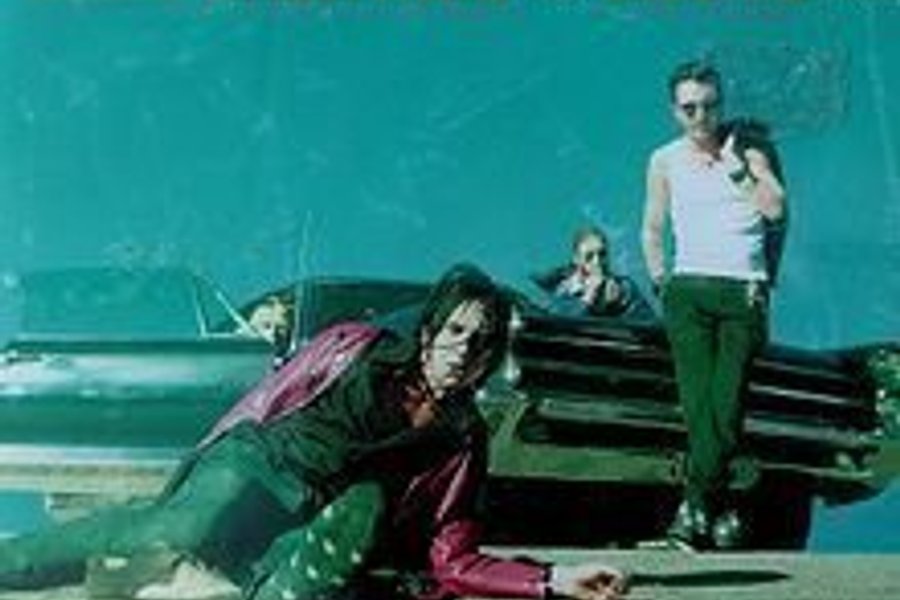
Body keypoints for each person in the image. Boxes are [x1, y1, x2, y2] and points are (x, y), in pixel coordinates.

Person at [0, 264, 628, 600]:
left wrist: (552, 581)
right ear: (430, 330)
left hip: (308, 515)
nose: (465, 348)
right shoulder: (357, 346)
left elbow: (455, 556)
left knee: (366, 506)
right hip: (257, 464)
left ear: (491, 357)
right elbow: (262, 403)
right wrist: (191, 482)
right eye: (456, 331)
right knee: (179, 529)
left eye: (482, 340)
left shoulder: (461, 440)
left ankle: (273, 588)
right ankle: (11, 563)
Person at [641, 60, 787, 550]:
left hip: (742, 291)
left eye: (710, 106)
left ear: (721, 104)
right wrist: (661, 280)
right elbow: (652, 225)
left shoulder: (750, 148)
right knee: (697, 407)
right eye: (690, 108)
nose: (701, 117)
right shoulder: (663, 159)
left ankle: (695, 509)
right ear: (674, 111)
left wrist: (737, 168)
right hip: (687, 293)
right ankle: (711, 513)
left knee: (725, 408)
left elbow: (776, 209)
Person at [533, 225, 653, 320]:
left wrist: (619, 305)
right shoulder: (560, 288)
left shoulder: (626, 289)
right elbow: (551, 322)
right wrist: (587, 301)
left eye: (602, 254)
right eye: (589, 256)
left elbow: (650, 325)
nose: (597, 262)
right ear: (577, 259)